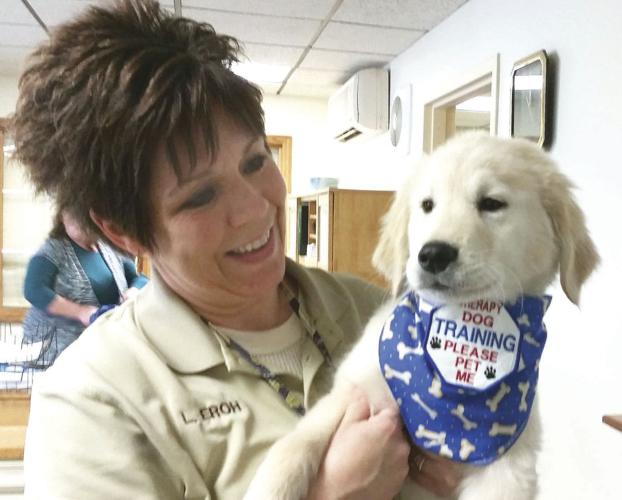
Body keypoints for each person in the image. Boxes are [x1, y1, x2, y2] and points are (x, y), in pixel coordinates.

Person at [13, 1, 461, 498]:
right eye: (200, 197)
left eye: (255, 162)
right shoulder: (91, 400)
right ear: (124, 233)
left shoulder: (376, 313)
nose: (254, 210)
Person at [22, 207, 148, 368]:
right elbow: (34, 290)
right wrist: (81, 312)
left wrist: (133, 291)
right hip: (57, 349)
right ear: (63, 217)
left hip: (104, 346)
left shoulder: (109, 248)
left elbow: (140, 279)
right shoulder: (52, 251)